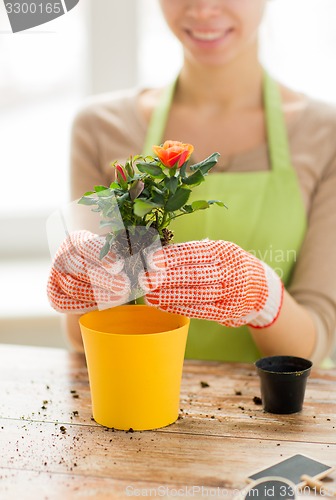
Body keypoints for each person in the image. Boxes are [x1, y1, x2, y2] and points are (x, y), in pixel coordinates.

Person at [47, 0, 336, 366]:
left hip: (274, 410)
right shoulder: (100, 126)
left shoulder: (326, 135)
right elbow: (81, 335)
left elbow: (314, 345)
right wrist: (82, 279)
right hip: (140, 391)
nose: (202, 9)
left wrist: (261, 294)